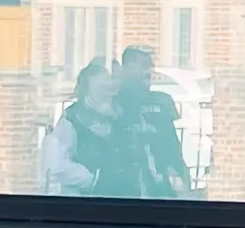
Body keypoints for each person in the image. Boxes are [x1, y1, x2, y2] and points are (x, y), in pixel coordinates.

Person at [106, 47, 193, 199]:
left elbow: (172, 145)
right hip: (126, 187)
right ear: (126, 68)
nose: (148, 71)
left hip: (160, 185)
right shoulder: (114, 102)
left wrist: (182, 177)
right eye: (142, 65)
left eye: (150, 65)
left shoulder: (161, 101)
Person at [39, 62, 115, 196]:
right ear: (87, 90)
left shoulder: (116, 119)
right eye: (100, 88)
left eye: (107, 88)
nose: (105, 94)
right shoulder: (71, 120)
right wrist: (91, 180)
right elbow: (57, 164)